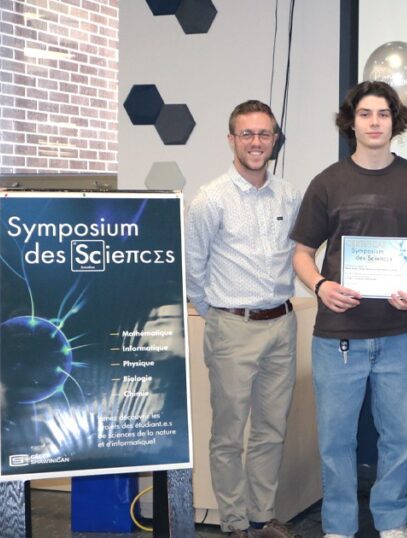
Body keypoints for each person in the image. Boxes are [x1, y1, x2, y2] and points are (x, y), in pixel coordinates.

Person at [290, 81, 407, 538]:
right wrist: (320, 285)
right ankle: (338, 527)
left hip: (401, 334)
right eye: (366, 114)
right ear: (351, 122)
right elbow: (300, 253)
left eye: (383, 114)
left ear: (396, 122)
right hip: (339, 338)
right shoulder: (327, 182)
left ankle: (392, 520)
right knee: (336, 443)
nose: (375, 122)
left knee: (402, 438)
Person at [185, 100, 301, 538]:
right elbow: (193, 273)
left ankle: (260, 516)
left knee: (271, 429)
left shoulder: (290, 195)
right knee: (229, 434)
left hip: (282, 324)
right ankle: (234, 524)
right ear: (232, 140)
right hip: (232, 325)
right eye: (247, 134)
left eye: (264, 134)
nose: (256, 142)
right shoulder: (210, 199)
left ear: (275, 140)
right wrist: (220, 313)